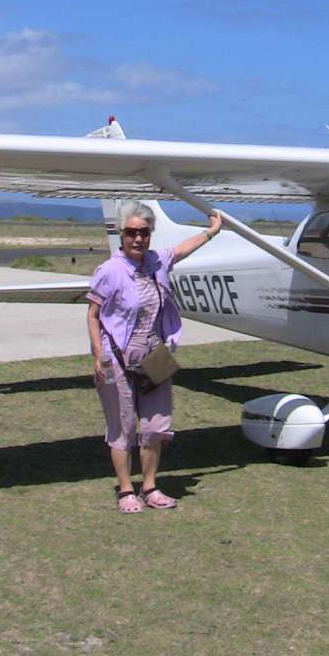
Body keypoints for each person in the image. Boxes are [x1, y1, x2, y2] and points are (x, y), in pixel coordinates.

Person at [86, 201, 223, 513]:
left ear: (150, 234)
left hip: (156, 355)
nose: (138, 238)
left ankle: (150, 486)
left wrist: (211, 232)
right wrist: (99, 355)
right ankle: (125, 490)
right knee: (122, 427)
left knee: (155, 426)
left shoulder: (158, 261)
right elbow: (93, 315)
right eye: (132, 232)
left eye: (144, 233)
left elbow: (182, 250)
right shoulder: (109, 271)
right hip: (117, 357)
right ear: (122, 235)